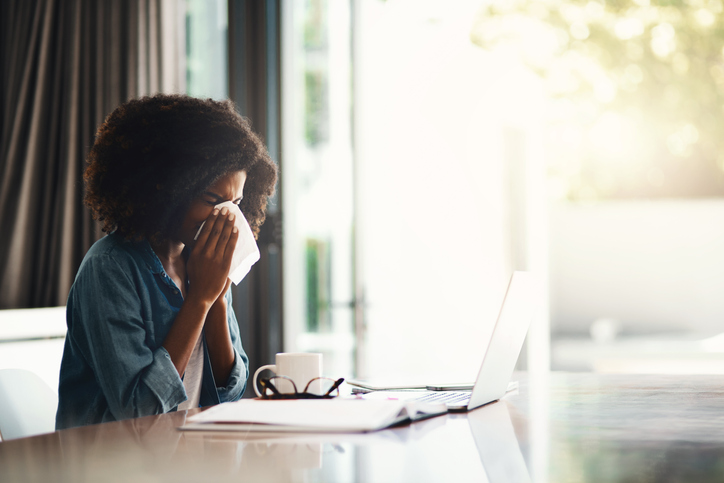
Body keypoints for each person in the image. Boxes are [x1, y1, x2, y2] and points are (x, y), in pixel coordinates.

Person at [55, 94, 277, 429]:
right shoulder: (110, 267)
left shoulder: (203, 260)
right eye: (213, 200)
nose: (228, 217)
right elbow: (139, 412)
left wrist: (216, 296)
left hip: (185, 459)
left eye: (237, 202)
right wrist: (200, 297)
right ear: (168, 190)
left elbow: (229, 392)